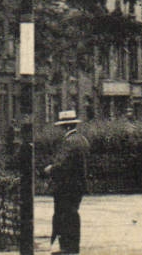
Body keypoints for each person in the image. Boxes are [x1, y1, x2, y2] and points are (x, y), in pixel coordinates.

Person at [45, 109, 89, 255]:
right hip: (77, 186)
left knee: (63, 216)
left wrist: (50, 169)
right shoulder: (82, 140)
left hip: (65, 186)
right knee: (73, 215)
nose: (61, 130)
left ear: (67, 127)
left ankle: (65, 247)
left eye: (62, 127)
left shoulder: (69, 142)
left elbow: (63, 165)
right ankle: (72, 247)